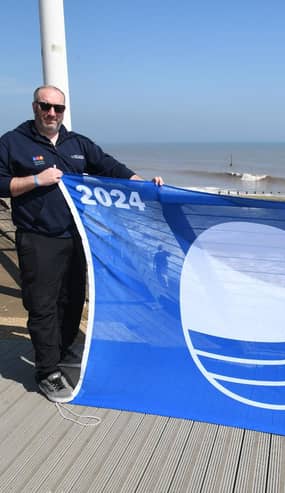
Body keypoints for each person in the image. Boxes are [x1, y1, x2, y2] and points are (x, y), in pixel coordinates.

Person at [0, 85, 164, 403]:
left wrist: (146, 185)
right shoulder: (12, 142)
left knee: (73, 299)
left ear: (64, 111)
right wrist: (36, 180)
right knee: (43, 305)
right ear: (35, 107)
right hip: (38, 238)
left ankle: (62, 350)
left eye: (58, 108)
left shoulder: (78, 144)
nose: (51, 113)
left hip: (77, 237)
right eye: (45, 106)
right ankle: (47, 372)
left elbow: (111, 169)